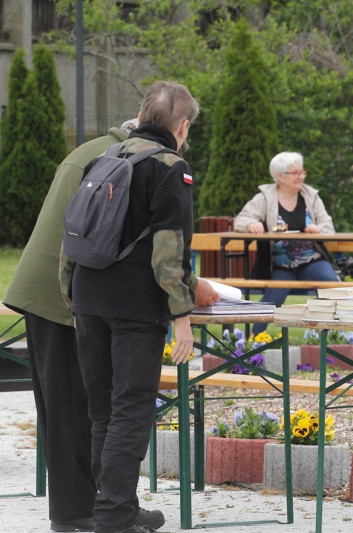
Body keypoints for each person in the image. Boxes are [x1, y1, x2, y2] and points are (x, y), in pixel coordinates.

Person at [4, 114, 217, 532]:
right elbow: (134, 239)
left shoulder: (98, 153)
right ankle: (79, 514)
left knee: (90, 409)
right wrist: (190, 287)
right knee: (77, 411)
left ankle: (112, 506)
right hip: (61, 294)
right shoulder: (128, 160)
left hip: (66, 287)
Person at [59, 81, 201, 533]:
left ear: (141, 116)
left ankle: (118, 505)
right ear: (181, 126)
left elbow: (72, 240)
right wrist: (183, 318)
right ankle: (116, 516)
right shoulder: (170, 168)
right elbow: (168, 256)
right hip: (135, 306)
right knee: (131, 409)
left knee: (103, 410)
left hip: (88, 298)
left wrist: (73, 297)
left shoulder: (104, 159)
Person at [233, 152, 338, 329]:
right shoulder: (264, 197)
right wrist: (251, 225)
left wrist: (318, 230)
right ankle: (252, 344)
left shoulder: (311, 196)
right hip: (280, 265)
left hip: (311, 261)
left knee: (334, 289)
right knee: (271, 302)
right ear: (280, 176)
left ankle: (337, 339)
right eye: (295, 173)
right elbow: (241, 220)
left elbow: (328, 227)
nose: (301, 176)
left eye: (302, 172)